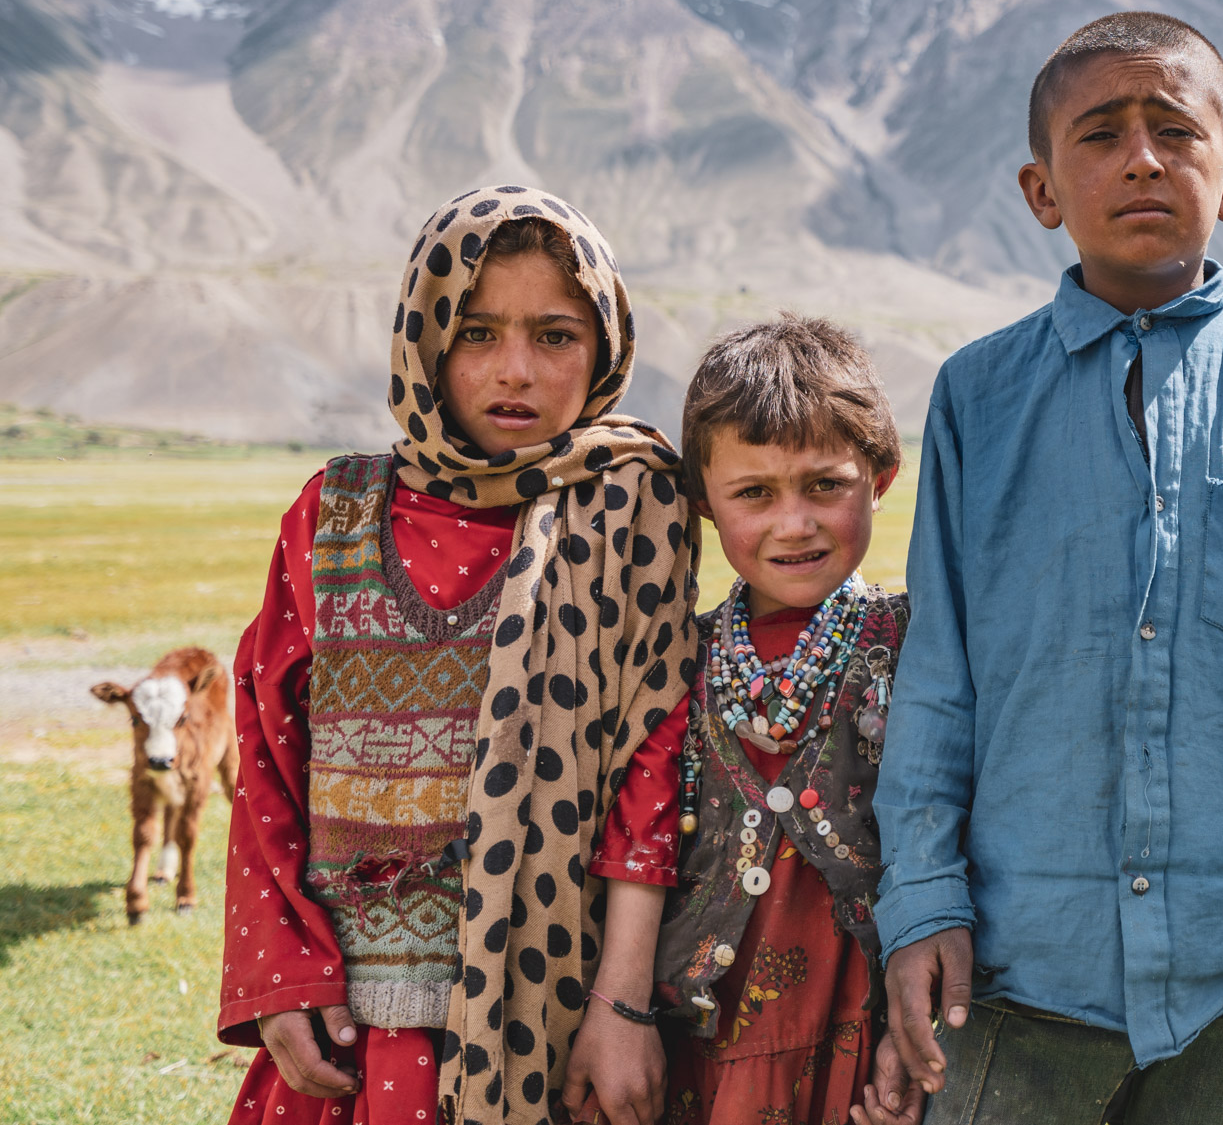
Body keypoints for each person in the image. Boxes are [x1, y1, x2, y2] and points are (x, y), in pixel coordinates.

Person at [871, 11, 1223, 1125]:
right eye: (1099, 133)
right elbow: (941, 666)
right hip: (1014, 977)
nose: (1141, 157)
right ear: (1041, 189)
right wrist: (919, 899)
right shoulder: (977, 394)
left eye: (1173, 131)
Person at [217, 189, 700, 1125]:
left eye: (555, 336)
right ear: (427, 340)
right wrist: (283, 977)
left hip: (553, 1014)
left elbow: (654, 763)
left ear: (605, 346)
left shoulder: (634, 506)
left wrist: (622, 1001)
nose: (514, 370)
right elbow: (267, 749)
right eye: (477, 334)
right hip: (355, 1034)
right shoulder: (335, 513)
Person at [563, 315, 924, 1125]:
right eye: (754, 493)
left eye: (824, 485)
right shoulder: (673, 658)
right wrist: (618, 1009)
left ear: (882, 475)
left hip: (862, 1032)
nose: (793, 523)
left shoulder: (918, 643)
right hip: (701, 1035)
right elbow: (639, 834)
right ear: (700, 501)